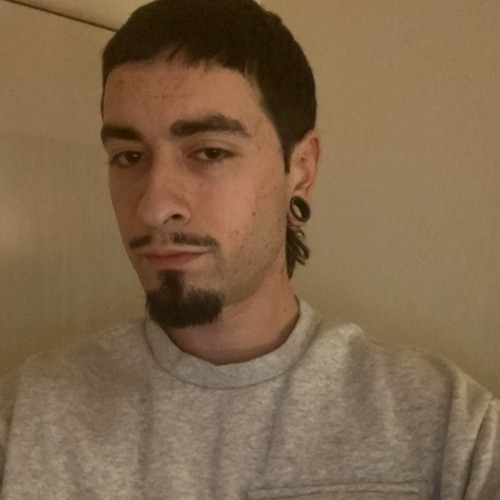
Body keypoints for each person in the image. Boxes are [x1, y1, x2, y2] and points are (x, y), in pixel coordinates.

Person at [1, 0, 499, 497]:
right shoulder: (28, 418)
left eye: (210, 152)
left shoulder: (451, 432)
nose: (154, 207)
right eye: (129, 156)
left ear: (300, 168)